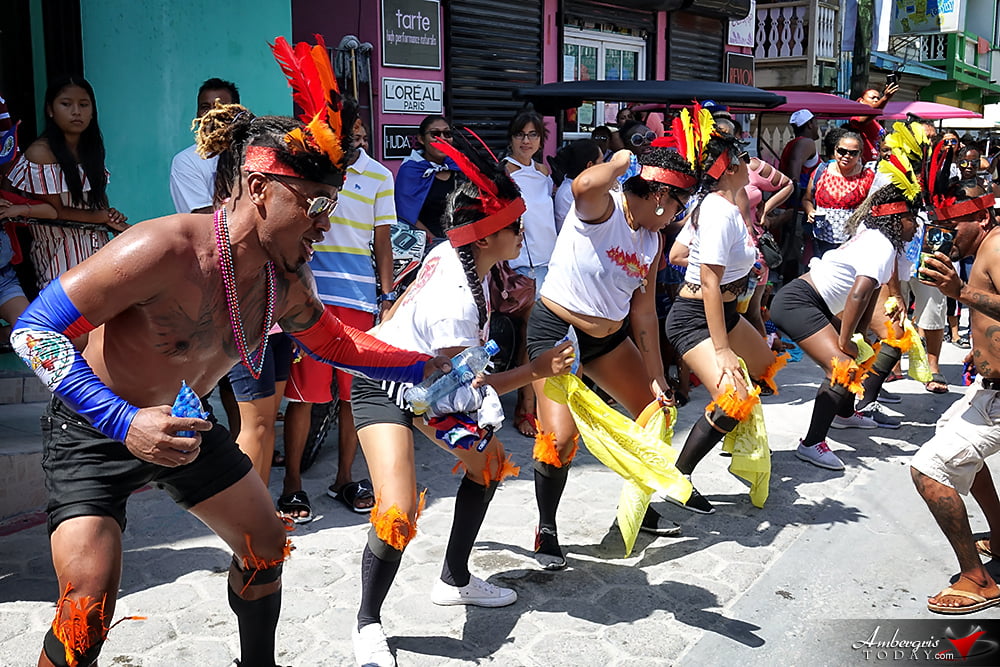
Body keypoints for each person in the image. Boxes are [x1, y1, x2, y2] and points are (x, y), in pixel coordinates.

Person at [10, 38, 450, 667]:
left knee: (266, 542)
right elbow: (33, 329)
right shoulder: (161, 248)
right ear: (257, 186)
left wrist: (418, 364)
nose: (326, 222)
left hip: (183, 423)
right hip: (94, 426)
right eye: (315, 203)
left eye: (335, 204)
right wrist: (124, 421)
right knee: (88, 606)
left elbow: (332, 341)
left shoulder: (285, 278)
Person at [349, 140, 574, 666]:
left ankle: (454, 579)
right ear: (490, 235)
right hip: (387, 387)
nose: (523, 233)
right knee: (398, 509)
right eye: (517, 227)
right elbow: (467, 388)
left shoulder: (461, 257)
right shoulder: (456, 295)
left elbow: (444, 373)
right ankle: (367, 623)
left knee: (489, 465)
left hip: (430, 388)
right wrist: (538, 370)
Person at [526, 144, 696, 568]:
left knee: (652, 414)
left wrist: (657, 377)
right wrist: (622, 159)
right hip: (558, 334)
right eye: (678, 203)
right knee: (560, 440)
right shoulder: (605, 210)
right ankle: (546, 527)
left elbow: (643, 312)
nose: (679, 213)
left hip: (608, 339)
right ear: (660, 196)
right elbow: (584, 184)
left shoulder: (653, 240)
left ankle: (638, 508)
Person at [664, 119, 783, 514]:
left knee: (765, 365)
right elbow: (710, 283)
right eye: (745, 158)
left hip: (724, 310)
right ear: (731, 168)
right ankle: (677, 477)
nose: (752, 164)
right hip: (694, 317)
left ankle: (729, 438)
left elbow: (678, 256)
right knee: (736, 398)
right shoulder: (717, 211)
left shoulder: (720, 208)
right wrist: (722, 349)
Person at [282, 114, 397, 519]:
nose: (354, 142)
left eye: (358, 135)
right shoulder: (310, 167)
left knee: (353, 397)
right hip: (308, 296)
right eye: (346, 135)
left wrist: (387, 297)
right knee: (303, 396)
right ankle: (292, 484)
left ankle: (344, 478)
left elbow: (383, 242)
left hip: (359, 300)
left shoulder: (380, 176)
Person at [770, 164, 921, 470]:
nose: (916, 225)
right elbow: (858, 294)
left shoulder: (880, 240)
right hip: (798, 302)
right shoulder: (880, 245)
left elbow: (865, 301)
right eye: (910, 218)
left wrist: (858, 337)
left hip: (813, 303)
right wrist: (845, 340)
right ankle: (812, 443)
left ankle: (844, 414)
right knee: (843, 367)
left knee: (862, 351)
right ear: (895, 219)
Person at [909, 173, 1000, 614]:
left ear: (980, 217)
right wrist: (980, 351)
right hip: (990, 388)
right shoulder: (987, 244)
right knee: (957, 444)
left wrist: (959, 292)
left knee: (929, 468)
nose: (944, 236)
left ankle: (976, 579)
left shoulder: (997, 246)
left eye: (952, 225)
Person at [5, 76, 128, 290]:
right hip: (59, 254)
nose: (76, 112)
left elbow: (98, 197)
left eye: (83, 104)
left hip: (96, 245)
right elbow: (55, 211)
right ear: (50, 110)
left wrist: (109, 214)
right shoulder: (40, 153)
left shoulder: (91, 148)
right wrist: (101, 217)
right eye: (66, 104)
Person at [504, 109, 558, 437]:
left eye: (533, 135)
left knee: (545, 336)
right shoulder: (505, 174)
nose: (527, 140)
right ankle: (525, 406)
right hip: (520, 263)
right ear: (511, 138)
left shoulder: (543, 173)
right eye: (521, 134)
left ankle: (539, 404)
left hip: (549, 263)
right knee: (529, 335)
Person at [169, 77, 240, 214]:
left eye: (221, 107)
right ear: (197, 114)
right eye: (205, 107)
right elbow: (202, 216)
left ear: (236, 112)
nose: (212, 114)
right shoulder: (186, 160)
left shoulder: (253, 152)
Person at [801, 131, 875, 257]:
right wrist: (810, 211)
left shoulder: (867, 176)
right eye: (842, 151)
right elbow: (807, 199)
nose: (847, 156)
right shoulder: (821, 171)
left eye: (853, 153)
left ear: (860, 154)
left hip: (854, 242)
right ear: (835, 150)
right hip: (822, 240)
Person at [394, 115, 459, 240]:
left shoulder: (460, 167)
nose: (442, 139)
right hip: (425, 246)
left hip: (462, 244)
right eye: (435, 134)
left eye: (447, 134)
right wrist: (437, 243)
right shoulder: (411, 171)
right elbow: (406, 214)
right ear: (421, 139)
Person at [777, 109, 821, 283]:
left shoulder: (795, 142)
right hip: (797, 208)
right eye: (816, 122)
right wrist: (796, 186)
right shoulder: (806, 143)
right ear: (810, 124)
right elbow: (795, 168)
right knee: (794, 252)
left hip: (794, 206)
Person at [551, 139, 603, 232]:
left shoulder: (581, 187)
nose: (604, 166)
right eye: (601, 162)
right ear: (590, 165)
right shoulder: (568, 192)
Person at [848, 81, 899, 163]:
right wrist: (885, 98)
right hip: (865, 164)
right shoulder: (856, 116)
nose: (876, 100)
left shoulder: (875, 120)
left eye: (878, 98)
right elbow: (864, 120)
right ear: (861, 101)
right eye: (872, 98)